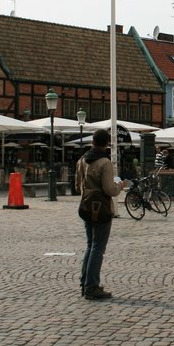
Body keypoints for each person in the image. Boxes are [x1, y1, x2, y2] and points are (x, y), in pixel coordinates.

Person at [76, 129, 126, 301]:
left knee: (90, 245)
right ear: (107, 144)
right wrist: (120, 186)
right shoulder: (105, 163)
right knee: (98, 247)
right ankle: (92, 287)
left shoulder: (82, 160)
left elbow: (78, 186)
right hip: (101, 208)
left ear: (93, 141)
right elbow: (109, 190)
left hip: (86, 206)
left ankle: (85, 282)